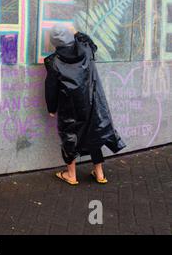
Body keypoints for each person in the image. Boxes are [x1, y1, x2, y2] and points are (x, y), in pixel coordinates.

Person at [44, 24, 126, 185]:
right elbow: (91, 43)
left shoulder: (53, 61)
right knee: (94, 133)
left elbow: (51, 87)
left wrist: (51, 108)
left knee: (70, 137)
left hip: (70, 106)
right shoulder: (86, 50)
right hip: (93, 103)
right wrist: (76, 31)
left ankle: (71, 175)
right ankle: (100, 174)